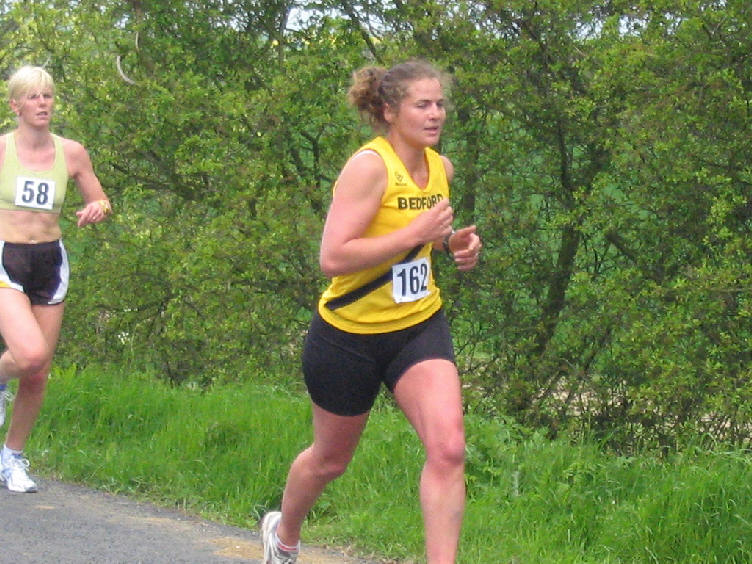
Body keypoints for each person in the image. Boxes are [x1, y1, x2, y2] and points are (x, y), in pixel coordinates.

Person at [260, 60, 481, 564]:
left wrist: (451, 243)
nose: (435, 114)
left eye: (440, 104)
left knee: (449, 449)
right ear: (389, 111)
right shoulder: (370, 167)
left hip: (417, 327)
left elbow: (424, 238)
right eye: (421, 105)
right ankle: (284, 533)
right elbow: (333, 256)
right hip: (348, 335)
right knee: (329, 461)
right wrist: (417, 233)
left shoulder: (440, 169)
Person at [0, 65, 112, 493]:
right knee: (29, 354)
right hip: (6, 258)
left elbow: (99, 198)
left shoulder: (72, 152)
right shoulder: (3, 150)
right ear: (15, 105)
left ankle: (11, 457)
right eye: (33, 96)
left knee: (38, 372)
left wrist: (97, 208)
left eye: (47, 95)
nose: (43, 103)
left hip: (49, 261)